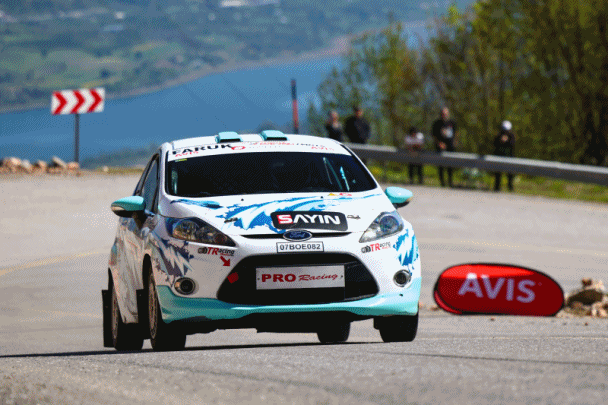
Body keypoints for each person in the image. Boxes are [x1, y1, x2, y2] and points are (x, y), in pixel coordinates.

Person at [431, 107, 458, 187]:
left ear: (448, 114)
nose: (444, 115)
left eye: (446, 114)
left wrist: (455, 141)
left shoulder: (452, 122)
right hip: (440, 146)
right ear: (441, 114)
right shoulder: (437, 123)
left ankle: (450, 181)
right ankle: (442, 182)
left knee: (450, 165)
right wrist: (439, 143)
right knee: (441, 165)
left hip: (450, 146)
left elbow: (456, 133)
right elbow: (434, 135)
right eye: (443, 114)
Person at [493, 120, 516, 191]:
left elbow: (512, 144)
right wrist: (500, 141)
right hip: (499, 156)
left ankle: (510, 187)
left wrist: (507, 141)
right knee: (498, 173)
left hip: (509, 157)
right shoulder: (498, 136)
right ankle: (497, 187)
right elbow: (495, 144)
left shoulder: (511, 136)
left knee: (510, 173)